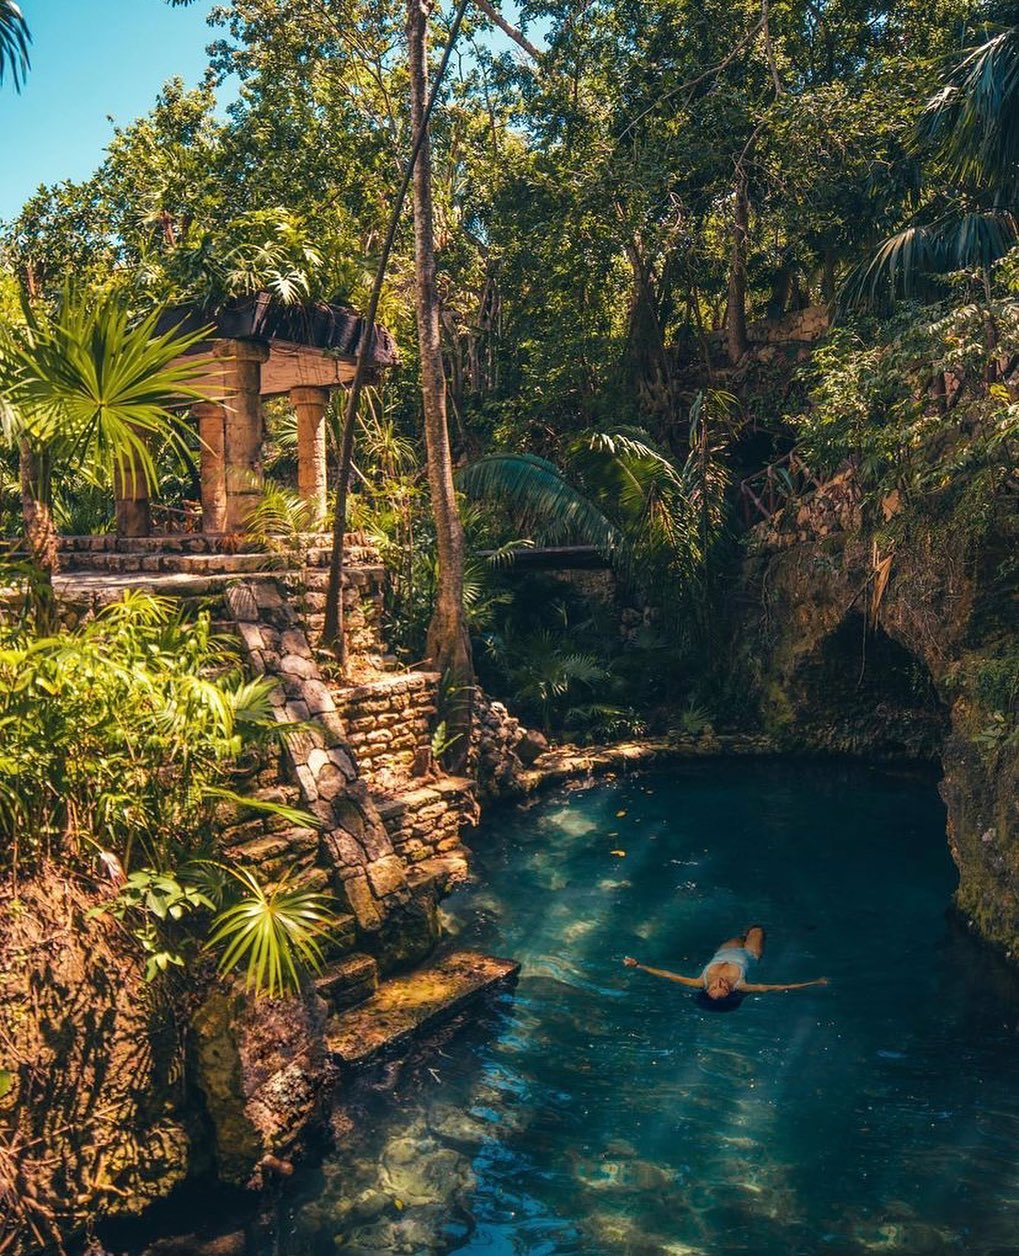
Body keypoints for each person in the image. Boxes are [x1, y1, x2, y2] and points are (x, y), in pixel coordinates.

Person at [622, 926, 828, 1001]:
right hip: (749, 954)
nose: (720, 982)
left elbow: (668, 975)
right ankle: (787, 934)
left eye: (714, 986)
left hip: (726, 951)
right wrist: (815, 982)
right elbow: (779, 987)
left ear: (707, 989)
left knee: (741, 934)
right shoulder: (741, 985)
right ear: (730, 991)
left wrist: (638, 965)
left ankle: (748, 931)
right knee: (758, 930)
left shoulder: (699, 982)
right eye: (724, 987)